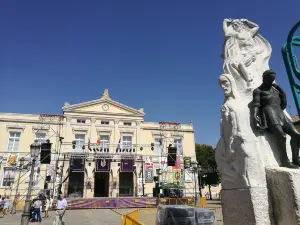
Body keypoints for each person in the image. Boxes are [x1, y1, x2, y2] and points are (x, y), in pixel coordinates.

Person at [252, 69, 300, 168]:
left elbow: (283, 103)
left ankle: (296, 159)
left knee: (296, 134)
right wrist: (255, 115)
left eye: (272, 80)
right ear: (264, 79)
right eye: (269, 79)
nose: (271, 82)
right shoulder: (258, 91)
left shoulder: (275, 90)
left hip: (280, 113)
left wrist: (280, 88)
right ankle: (285, 161)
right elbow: (256, 104)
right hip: (269, 113)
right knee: (282, 136)